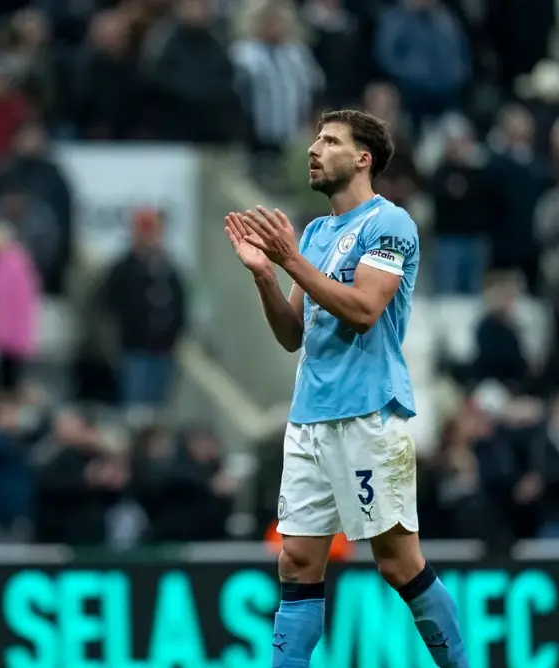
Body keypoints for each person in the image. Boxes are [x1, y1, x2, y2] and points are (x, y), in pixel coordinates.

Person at [223, 109, 468, 667]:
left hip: (368, 413)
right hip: (308, 417)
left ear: (363, 159)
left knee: (398, 564)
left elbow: (362, 310)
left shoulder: (390, 225)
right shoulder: (314, 233)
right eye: (315, 139)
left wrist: (290, 261)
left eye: (329, 140)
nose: (313, 149)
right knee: (297, 563)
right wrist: (266, 273)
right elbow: (292, 335)